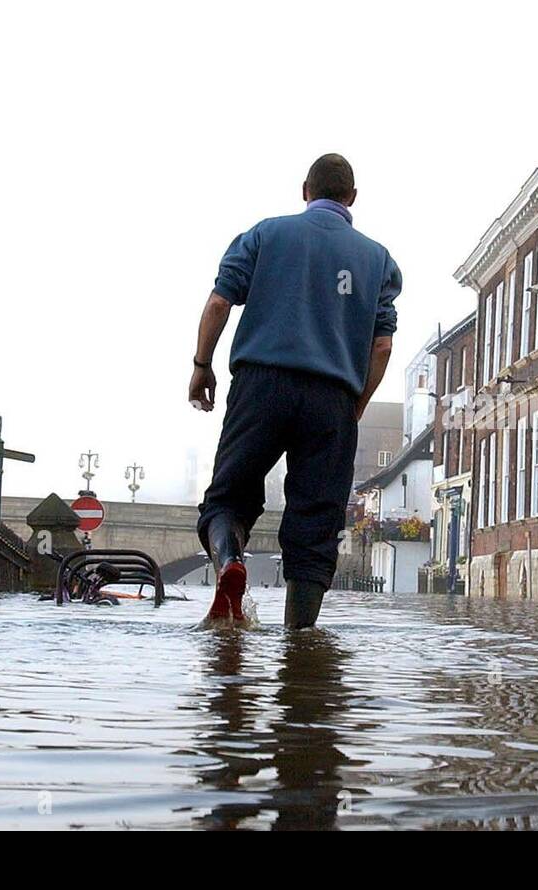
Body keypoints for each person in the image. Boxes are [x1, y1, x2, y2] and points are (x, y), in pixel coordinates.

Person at [189, 154, 400, 628]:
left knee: (227, 500)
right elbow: (382, 346)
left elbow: (219, 302)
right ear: (353, 198)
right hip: (332, 396)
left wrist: (202, 366)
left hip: (260, 384)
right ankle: (299, 643)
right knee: (315, 524)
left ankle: (229, 563)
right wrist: (355, 406)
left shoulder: (264, 235)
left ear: (305, 189)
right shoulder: (378, 260)